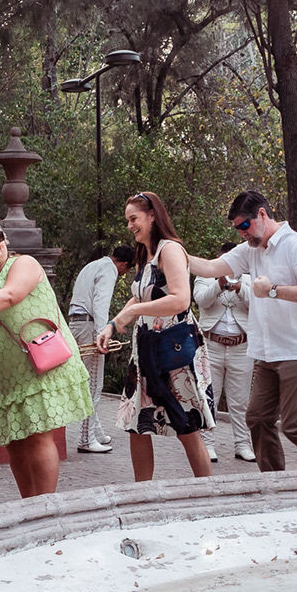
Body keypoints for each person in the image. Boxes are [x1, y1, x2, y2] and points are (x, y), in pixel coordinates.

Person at [188, 191, 297, 471]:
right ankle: (273, 482)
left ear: (262, 214)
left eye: (244, 225)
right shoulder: (250, 249)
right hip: (268, 354)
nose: (241, 233)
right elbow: (210, 267)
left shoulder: (296, 245)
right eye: (237, 228)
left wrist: (272, 290)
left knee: (296, 424)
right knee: (258, 419)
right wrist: (173, 253)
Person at [0, 219, 94, 496]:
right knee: (16, 444)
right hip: (10, 380)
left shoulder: (24, 264)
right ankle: (29, 506)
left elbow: (10, 295)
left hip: (42, 367)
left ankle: (45, 506)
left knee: (39, 436)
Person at [95, 193, 216, 481]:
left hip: (173, 348)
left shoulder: (170, 250)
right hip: (145, 349)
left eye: (133, 219)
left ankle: (208, 492)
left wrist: (134, 311)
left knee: (186, 424)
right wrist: (112, 324)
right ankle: (142, 493)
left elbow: (181, 299)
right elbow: (140, 296)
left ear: (152, 216)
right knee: (137, 424)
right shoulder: (144, 254)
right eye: (127, 220)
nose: (130, 226)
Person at [193, 242, 254, 463]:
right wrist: (219, 284)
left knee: (240, 401)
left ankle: (242, 444)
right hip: (211, 345)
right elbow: (201, 300)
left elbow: (259, 304)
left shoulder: (250, 278)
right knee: (209, 396)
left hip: (242, 345)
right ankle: (207, 444)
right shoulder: (204, 276)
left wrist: (240, 288)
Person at [67, 246, 131, 453]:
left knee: (90, 381)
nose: (124, 274)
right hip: (89, 325)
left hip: (76, 323)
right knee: (93, 384)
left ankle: (96, 431)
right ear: (124, 264)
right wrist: (102, 334)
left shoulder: (93, 265)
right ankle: (86, 439)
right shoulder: (109, 269)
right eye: (127, 270)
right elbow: (100, 303)